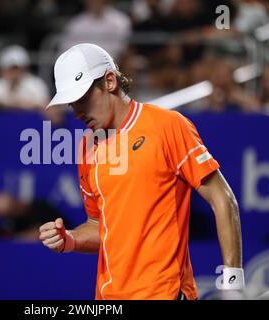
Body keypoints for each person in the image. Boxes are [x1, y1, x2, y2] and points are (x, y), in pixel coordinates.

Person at [39, 43, 244, 300]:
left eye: (82, 99)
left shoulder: (169, 126)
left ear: (110, 81)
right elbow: (100, 227)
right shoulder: (87, 147)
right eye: (72, 104)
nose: (77, 113)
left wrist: (233, 284)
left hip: (165, 293)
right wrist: (69, 239)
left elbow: (223, 199)